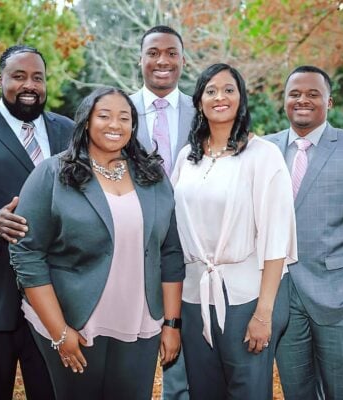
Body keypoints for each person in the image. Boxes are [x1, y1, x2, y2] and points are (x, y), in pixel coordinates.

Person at [8, 86, 185, 400]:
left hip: (139, 323)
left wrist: (171, 323)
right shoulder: (53, 173)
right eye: (104, 116)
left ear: (133, 126)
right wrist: (60, 332)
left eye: (124, 117)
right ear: (86, 122)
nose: (115, 124)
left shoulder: (153, 177)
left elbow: (170, 251)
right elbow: (27, 252)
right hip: (75, 324)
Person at [171, 63, 297, 400]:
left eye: (229, 89)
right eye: (210, 91)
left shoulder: (263, 156)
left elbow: (276, 240)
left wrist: (263, 313)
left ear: (241, 99)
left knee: (248, 391)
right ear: (199, 102)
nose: (219, 97)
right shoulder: (187, 157)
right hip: (195, 294)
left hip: (248, 296)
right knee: (203, 390)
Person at [0, 45, 73, 400]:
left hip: (57, 299)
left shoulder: (69, 132)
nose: (30, 85)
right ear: (0, 81)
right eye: (19, 76)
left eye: (37, 77)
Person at [265, 65, 343, 400]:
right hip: (280, 299)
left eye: (312, 94)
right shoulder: (263, 150)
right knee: (298, 392)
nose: (302, 100)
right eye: (294, 94)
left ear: (329, 101)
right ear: (284, 100)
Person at [130, 25, 194, 400]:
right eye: (153, 52)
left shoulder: (204, 107)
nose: (162, 60)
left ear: (183, 60)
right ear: (140, 59)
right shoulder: (116, 110)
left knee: (184, 358)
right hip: (132, 250)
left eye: (171, 52)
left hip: (190, 249)